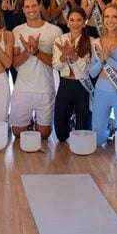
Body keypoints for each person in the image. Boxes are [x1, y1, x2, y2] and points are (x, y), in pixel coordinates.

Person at [11, 0, 62, 139]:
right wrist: (28, 52)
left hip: (45, 87)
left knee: (44, 134)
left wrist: (37, 52)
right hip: (23, 87)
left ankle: (35, 123)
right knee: (17, 133)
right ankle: (29, 122)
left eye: (34, 5)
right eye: (27, 7)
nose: (31, 9)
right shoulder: (17, 31)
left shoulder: (55, 30)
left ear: (40, 6)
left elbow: (56, 63)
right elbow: (14, 63)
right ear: (23, 10)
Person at [89, 6, 117, 146]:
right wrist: (102, 61)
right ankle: (109, 133)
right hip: (100, 91)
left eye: (114, 16)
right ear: (103, 20)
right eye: (107, 16)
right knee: (97, 138)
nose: (110, 20)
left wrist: (109, 60)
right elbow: (92, 72)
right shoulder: (97, 42)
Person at [52, 8, 92, 142]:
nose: (75, 23)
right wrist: (64, 55)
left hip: (82, 86)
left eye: (79, 20)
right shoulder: (60, 39)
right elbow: (56, 66)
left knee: (82, 129)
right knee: (60, 130)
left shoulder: (91, 41)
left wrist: (73, 56)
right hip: (65, 85)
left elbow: (86, 69)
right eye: (72, 20)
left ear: (84, 22)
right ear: (67, 22)